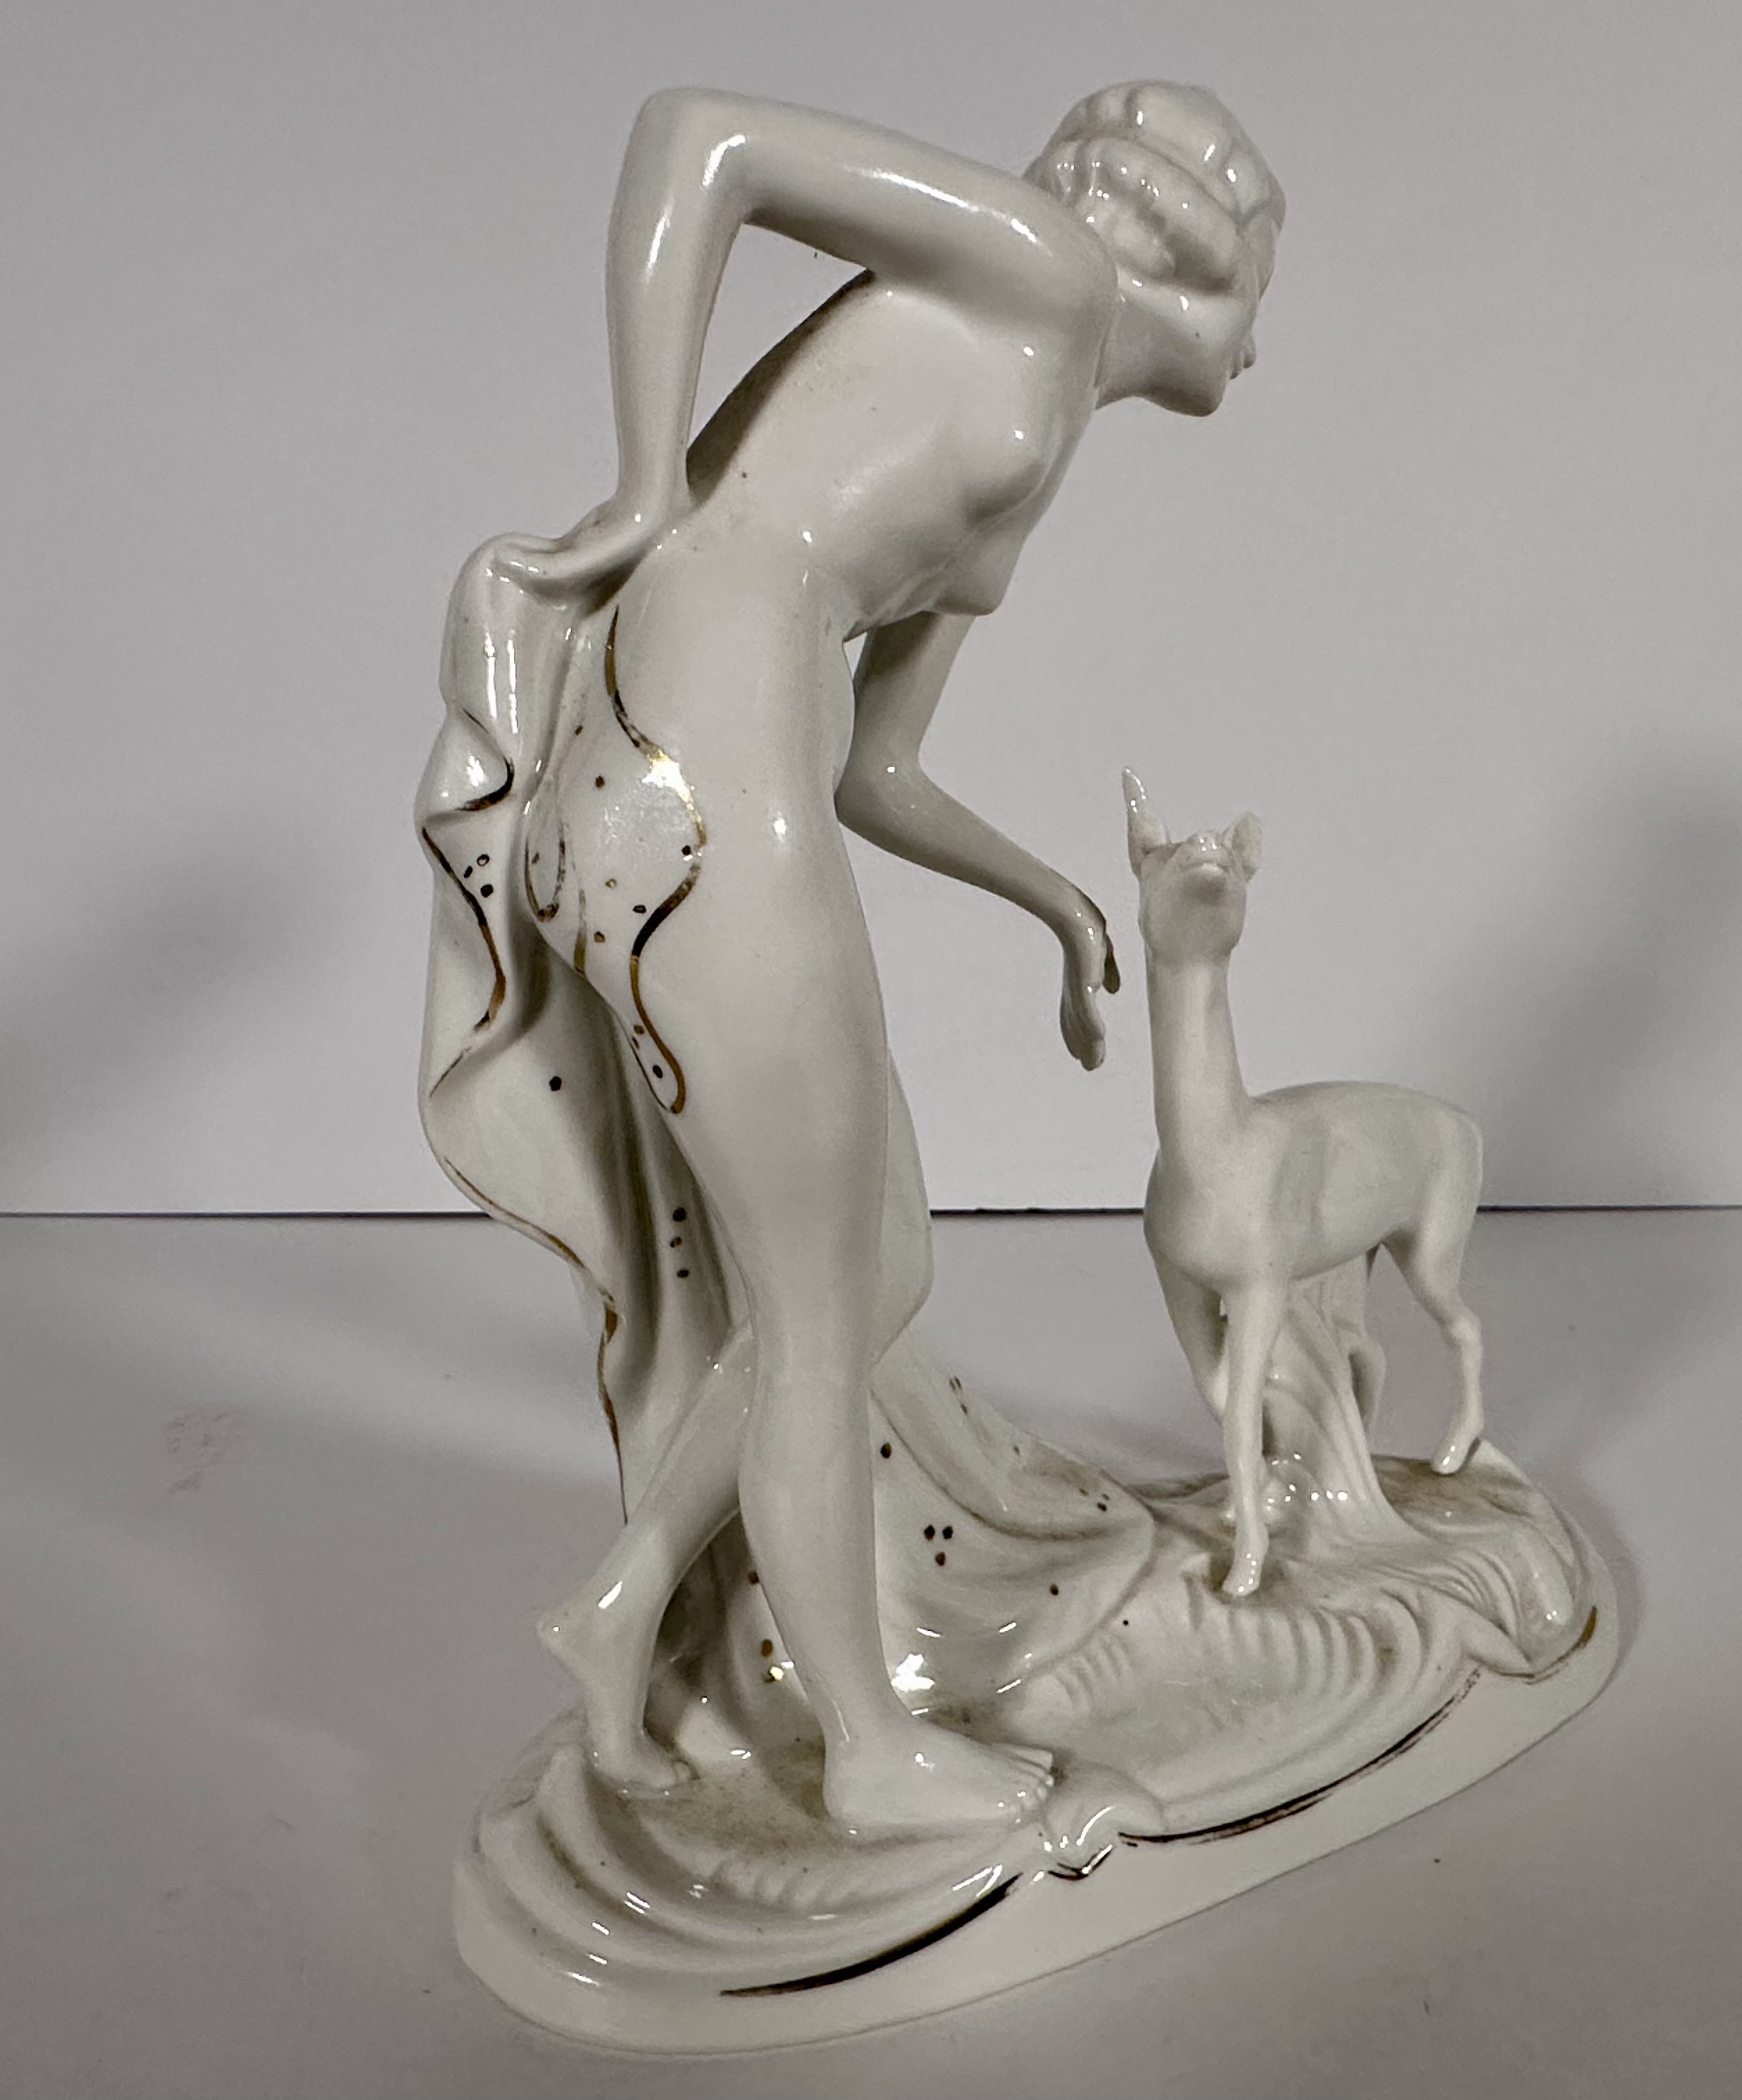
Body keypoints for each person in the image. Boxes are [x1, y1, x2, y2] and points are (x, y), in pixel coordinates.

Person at [418, 81, 1281, 1834]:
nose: (1256, 350)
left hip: (708, 783)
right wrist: (645, 481)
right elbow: (698, 139)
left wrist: (1054, 899)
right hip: (702, 775)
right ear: (1187, 257)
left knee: (871, 1274)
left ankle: (623, 1607)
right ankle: (872, 1756)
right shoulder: (1045, 267)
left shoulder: (1024, 449)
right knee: (815, 1317)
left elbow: (877, 769)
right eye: (1259, 283)